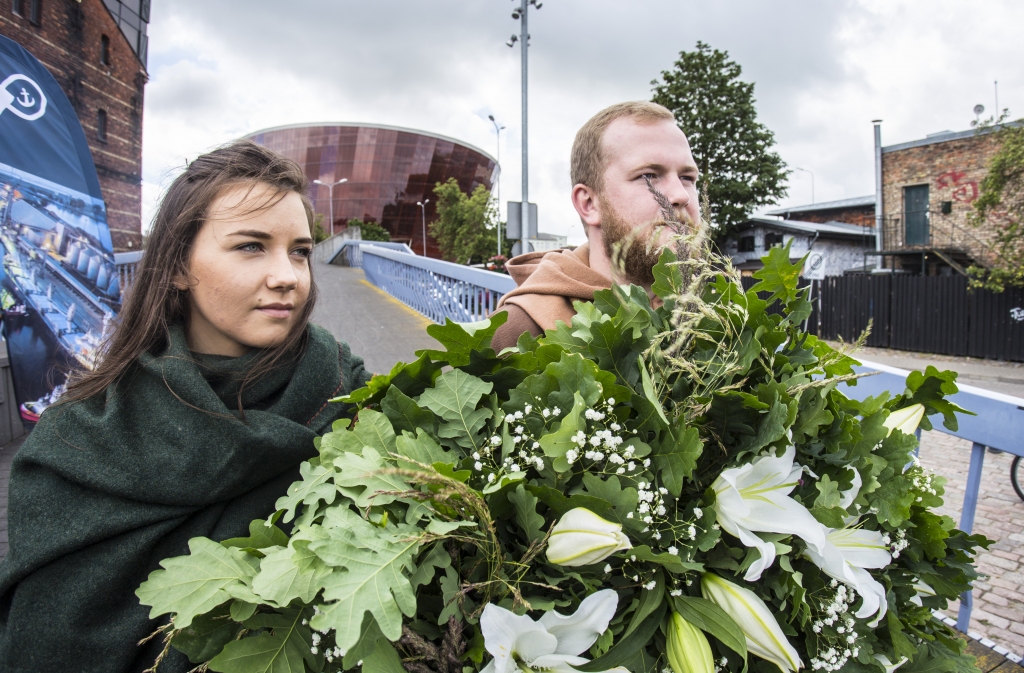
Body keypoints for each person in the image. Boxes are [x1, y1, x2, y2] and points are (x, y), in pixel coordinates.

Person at [0, 141, 371, 672]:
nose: (288, 275)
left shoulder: (346, 396)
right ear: (177, 265)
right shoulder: (74, 442)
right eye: (250, 246)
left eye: (300, 251)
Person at [491, 101, 701, 351]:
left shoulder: (721, 313)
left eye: (687, 178)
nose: (681, 195)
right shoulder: (517, 331)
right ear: (589, 203)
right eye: (649, 176)